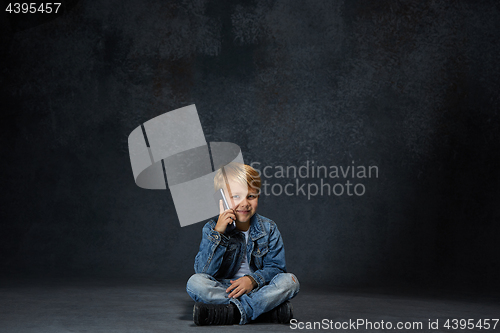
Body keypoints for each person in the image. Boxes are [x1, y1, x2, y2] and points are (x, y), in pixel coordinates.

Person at [186, 163, 300, 325]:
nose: (244, 203)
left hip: (258, 288)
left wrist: (252, 280)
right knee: (195, 283)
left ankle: (230, 312)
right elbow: (204, 271)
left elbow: (276, 268)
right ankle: (261, 310)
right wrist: (219, 233)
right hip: (224, 288)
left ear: (258, 197)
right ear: (222, 199)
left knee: (290, 281)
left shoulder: (269, 228)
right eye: (236, 196)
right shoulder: (212, 229)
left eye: (251, 196)